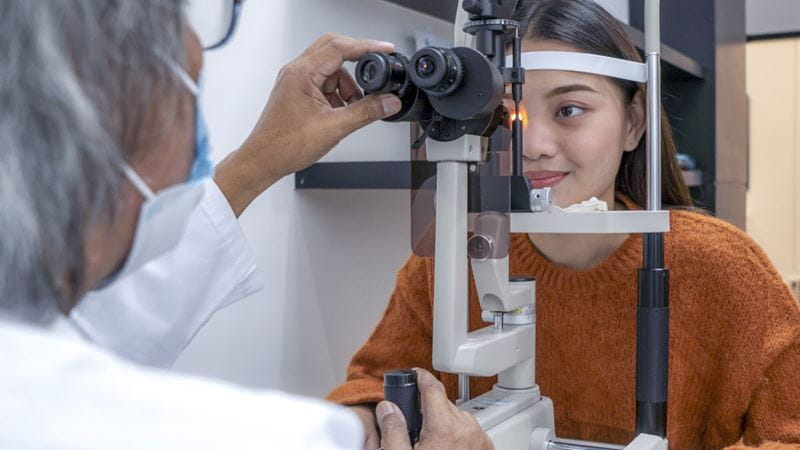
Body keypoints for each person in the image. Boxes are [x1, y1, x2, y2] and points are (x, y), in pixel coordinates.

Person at [0, 1, 492, 449]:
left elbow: (102, 326)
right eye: (191, 88)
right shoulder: (292, 438)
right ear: (121, 113)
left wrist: (255, 164)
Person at [327, 1, 800, 449]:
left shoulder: (725, 270)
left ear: (633, 123)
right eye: (508, 114)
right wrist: (368, 423)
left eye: (569, 110)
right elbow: (371, 384)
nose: (533, 145)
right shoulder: (451, 256)